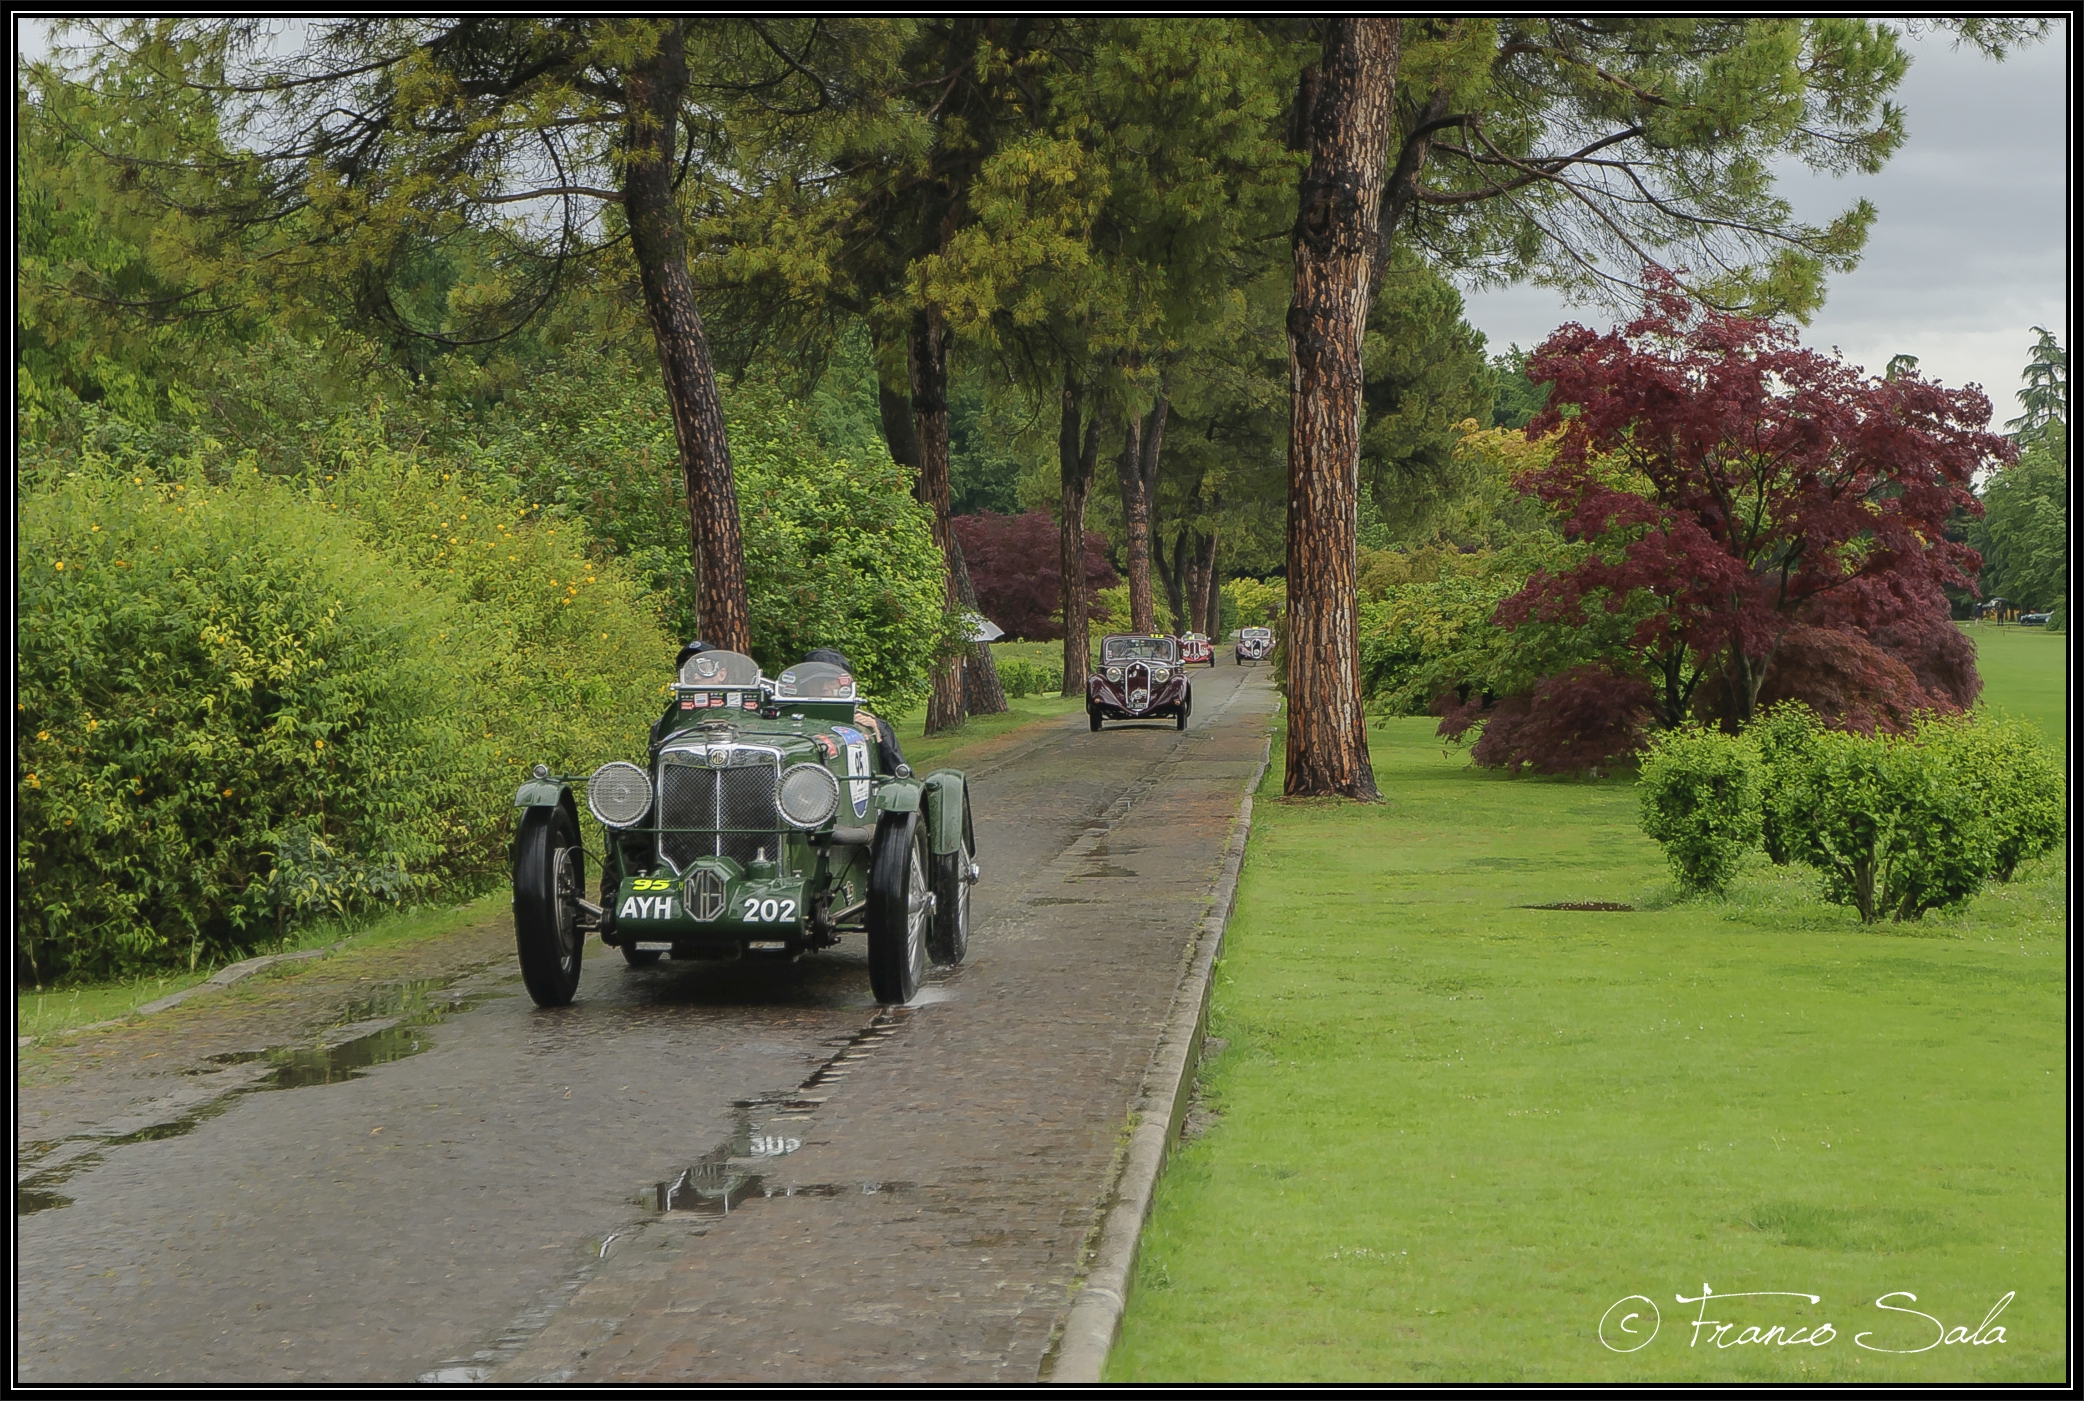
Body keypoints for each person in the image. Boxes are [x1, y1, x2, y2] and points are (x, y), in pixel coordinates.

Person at [802, 647, 909, 775]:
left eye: (831, 681)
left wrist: (877, 736)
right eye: (817, 681)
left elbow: (900, 773)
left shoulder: (869, 723)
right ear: (806, 685)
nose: (824, 687)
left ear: (844, 684)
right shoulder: (787, 719)